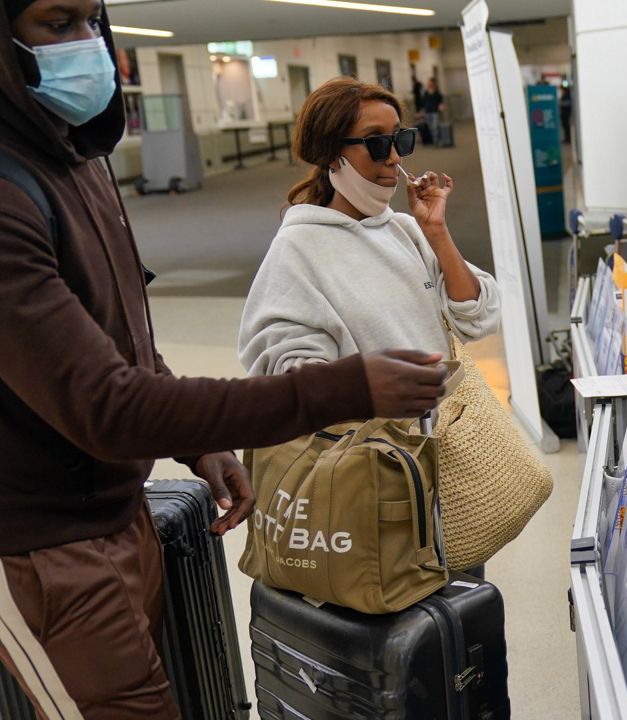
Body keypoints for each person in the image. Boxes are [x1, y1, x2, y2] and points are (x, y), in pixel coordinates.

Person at [0, 1, 454, 717]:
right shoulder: (8, 192)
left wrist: (197, 440)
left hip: (116, 514)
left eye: (92, 20)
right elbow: (106, 403)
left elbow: (128, 344)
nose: (87, 45)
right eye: (56, 24)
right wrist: (344, 387)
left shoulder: (76, 161)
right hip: (37, 545)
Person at [238, 77, 498, 420]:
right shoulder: (298, 248)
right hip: (375, 454)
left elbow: (477, 318)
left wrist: (436, 233)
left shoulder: (403, 230)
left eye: (399, 140)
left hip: (444, 435)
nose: (392, 158)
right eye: (376, 143)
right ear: (332, 154)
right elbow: (288, 374)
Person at [421, 77, 445, 146]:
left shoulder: (437, 92)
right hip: (428, 112)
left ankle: (436, 141)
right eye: (428, 83)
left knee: (435, 126)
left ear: (433, 84)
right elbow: (423, 102)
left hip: (435, 112)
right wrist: (423, 110)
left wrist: (441, 106)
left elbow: (440, 101)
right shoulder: (426, 92)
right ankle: (435, 140)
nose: (429, 84)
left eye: (430, 83)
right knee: (430, 127)